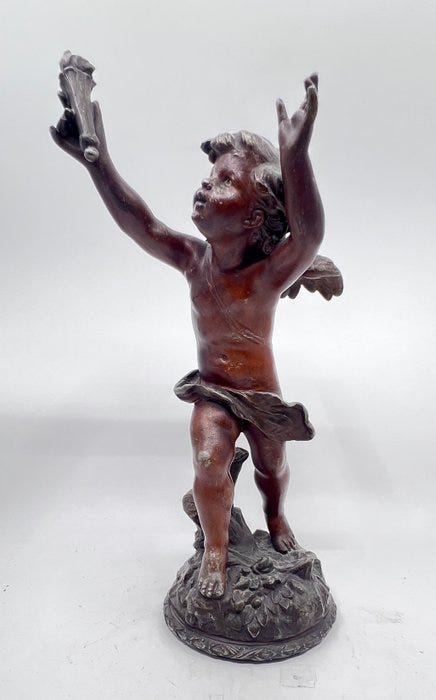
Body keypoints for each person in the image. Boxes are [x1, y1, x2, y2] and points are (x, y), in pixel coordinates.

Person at [51, 72, 325, 599]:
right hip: (213, 392)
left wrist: (297, 157)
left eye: (224, 182)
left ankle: (276, 517)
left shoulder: (267, 276)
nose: (205, 185)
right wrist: (97, 164)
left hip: (262, 397)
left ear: (254, 218)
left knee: (272, 465)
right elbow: (141, 223)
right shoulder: (193, 260)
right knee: (208, 462)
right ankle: (216, 548)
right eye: (209, 176)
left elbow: (309, 234)